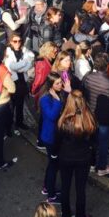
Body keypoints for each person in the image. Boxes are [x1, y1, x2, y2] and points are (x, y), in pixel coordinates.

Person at [55, 90, 96, 217]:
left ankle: (65, 215)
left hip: (65, 157)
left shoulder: (63, 120)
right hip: (83, 158)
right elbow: (94, 142)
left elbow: (57, 140)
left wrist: (55, 154)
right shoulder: (89, 118)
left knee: (65, 186)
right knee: (80, 189)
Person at [81, 52, 109, 176]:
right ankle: (101, 167)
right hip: (106, 117)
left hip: (91, 114)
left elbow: (83, 91)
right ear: (108, 65)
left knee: (92, 140)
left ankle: (91, 164)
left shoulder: (88, 77)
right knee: (103, 143)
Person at [39, 72, 64, 202]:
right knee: (54, 165)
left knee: (53, 164)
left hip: (55, 136)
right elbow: (52, 116)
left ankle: (47, 187)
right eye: (57, 83)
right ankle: (51, 195)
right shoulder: (45, 99)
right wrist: (58, 101)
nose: (61, 85)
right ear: (50, 85)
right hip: (50, 137)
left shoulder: (56, 94)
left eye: (61, 82)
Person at [3, 33, 35, 131]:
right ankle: (8, 127)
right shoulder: (7, 52)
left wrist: (22, 67)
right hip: (13, 82)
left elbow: (30, 63)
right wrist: (25, 62)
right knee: (11, 106)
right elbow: (12, 66)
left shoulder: (24, 50)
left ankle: (19, 122)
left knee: (20, 104)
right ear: (10, 42)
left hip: (22, 81)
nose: (17, 43)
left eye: (19, 41)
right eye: (15, 41)